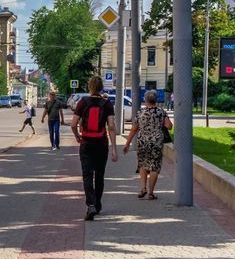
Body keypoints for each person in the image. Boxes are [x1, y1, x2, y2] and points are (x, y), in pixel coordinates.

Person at [71, 75, 118, 220]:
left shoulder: (82, 102)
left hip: (86, 143)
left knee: (87, 175)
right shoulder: (107, 104)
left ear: (89, 87)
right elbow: (111, 127)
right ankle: (97, 204)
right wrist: (114, 149)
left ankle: (90, 205)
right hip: (101, 144)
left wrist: (78, 136)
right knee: (99, 176)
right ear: (101, 87)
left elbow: (73, 124)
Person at [123, 88, 172, 199]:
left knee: (143, 164)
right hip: (156, 142)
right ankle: (151, 193)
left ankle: (143, 188)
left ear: (145, 100)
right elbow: (169, 126)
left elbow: (134, 129)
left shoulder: (140, 112)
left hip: (142, 141)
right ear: (156, 100)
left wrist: (127, 144)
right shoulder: (161, 112)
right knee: (154, 166)